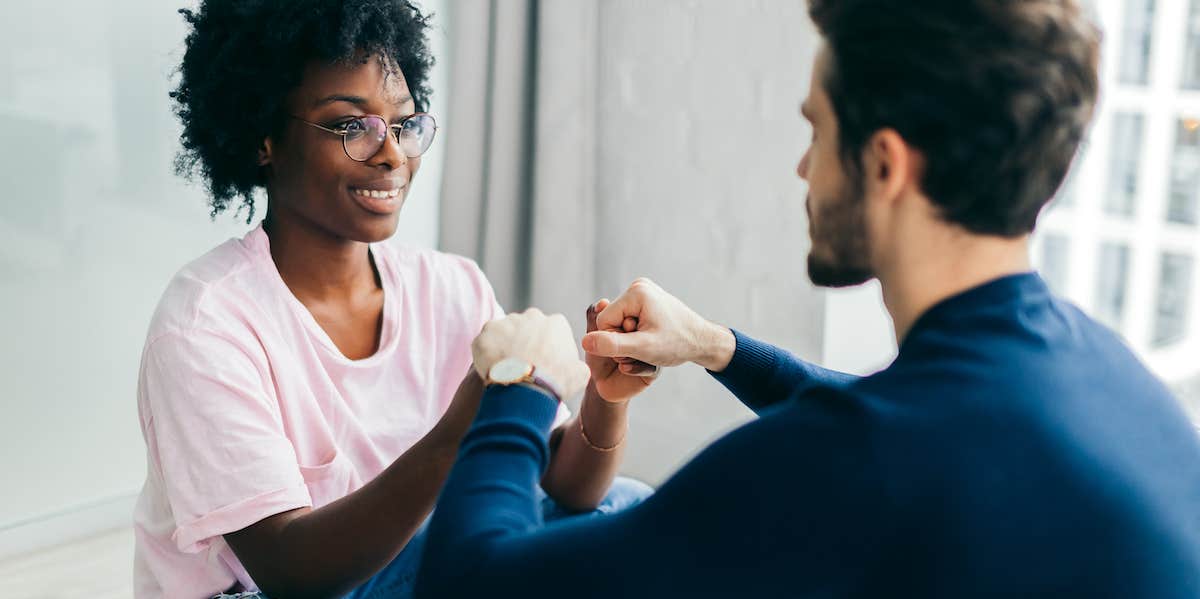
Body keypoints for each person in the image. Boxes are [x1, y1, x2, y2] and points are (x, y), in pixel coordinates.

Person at [415, 0, 1200, 596]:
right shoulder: (1099, 366)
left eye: (816, 131)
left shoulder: (857, 464)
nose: (803, 169)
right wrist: (713, 345)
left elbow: (472, 580)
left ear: (885, 165)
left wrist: (524, 382)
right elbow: (896, 417)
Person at [132, 2, 651, 597]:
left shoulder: (452, 287)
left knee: (620, 507)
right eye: (353, 126)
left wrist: (605, 397)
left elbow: (568, 490)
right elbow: (289, 570)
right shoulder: (205, 326)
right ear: (263, 139)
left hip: (405, 573)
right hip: (272, 589)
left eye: (404, 124)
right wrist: (473, 412)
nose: (392, 154)